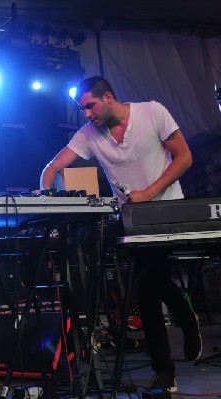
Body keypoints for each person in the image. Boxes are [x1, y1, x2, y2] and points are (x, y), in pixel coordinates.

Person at [40, 76, 201, 392]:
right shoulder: (90, 133)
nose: (87, 114)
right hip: (131, 218)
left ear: (108, 97)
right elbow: (53, 167)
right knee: (148, 286)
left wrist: (149, 192)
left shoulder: (152, 112)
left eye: (90, 106)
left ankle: (166, 366)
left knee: (146, 284)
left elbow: (185, 157)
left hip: (167, 211)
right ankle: (178, 335)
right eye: (82, 108)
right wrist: (45, 193)